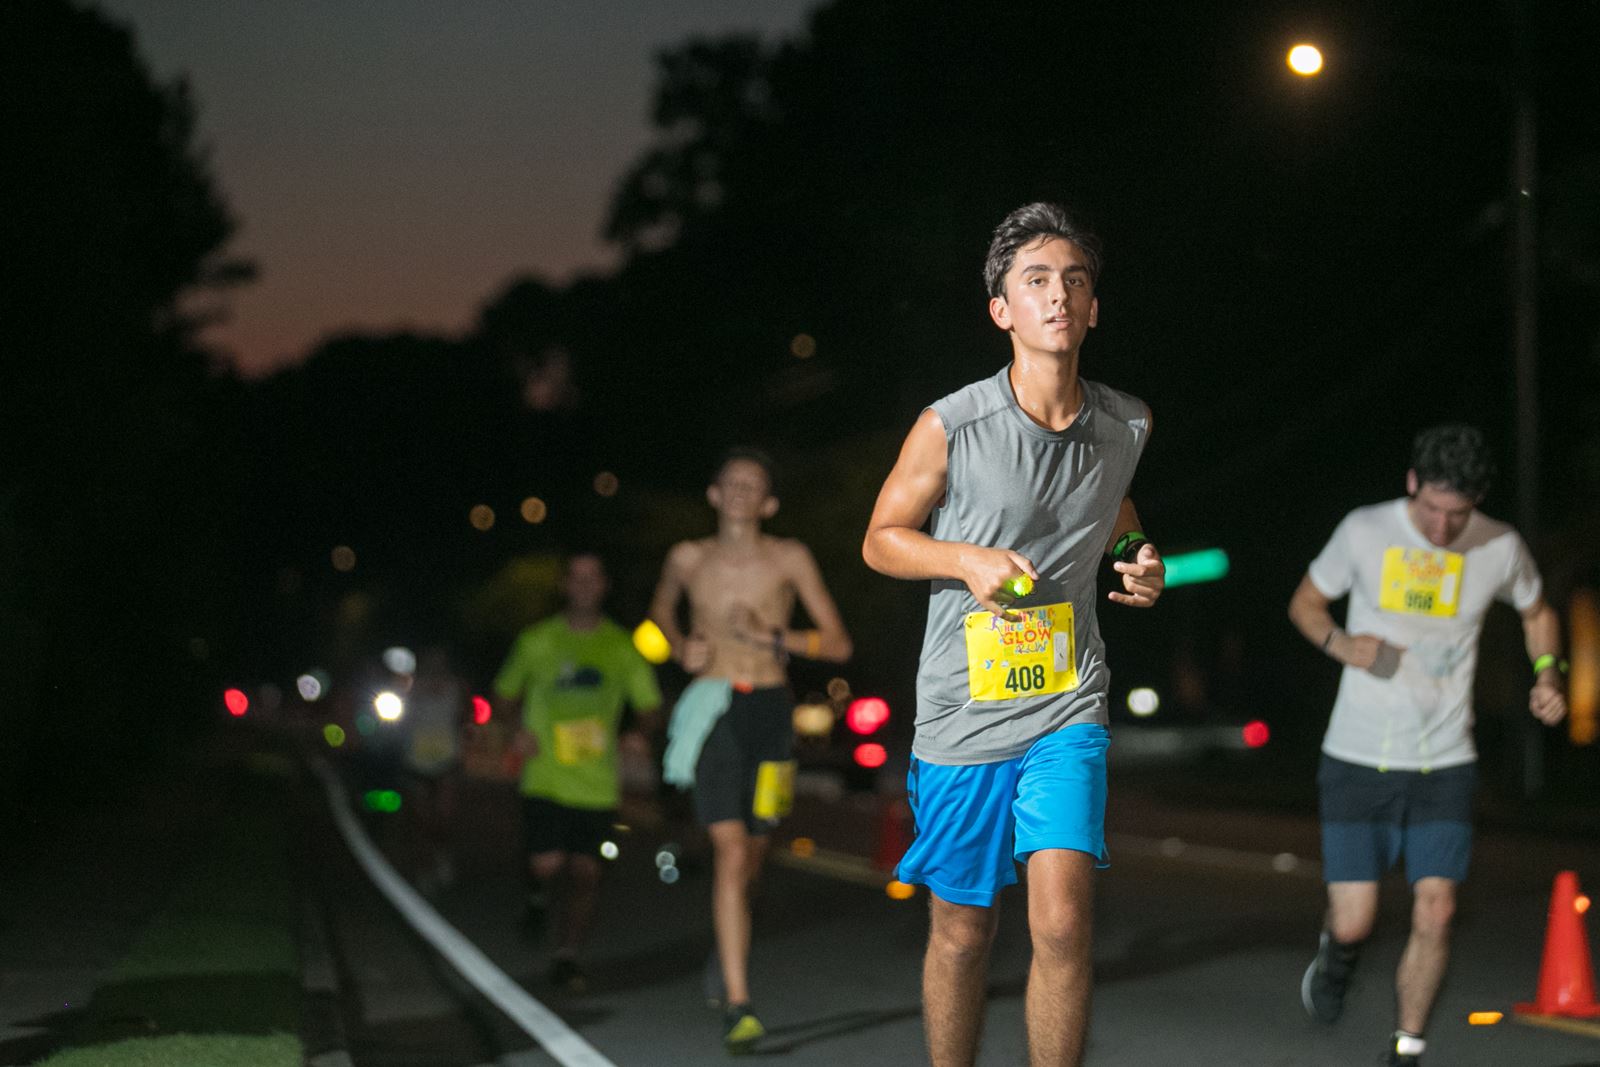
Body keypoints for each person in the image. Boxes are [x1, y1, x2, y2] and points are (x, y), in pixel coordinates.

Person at [862, 202, 1164, 1067]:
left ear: (1094, 306)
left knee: (1064, 922)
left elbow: (1116, 508)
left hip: (1068, 701)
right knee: (963, 933)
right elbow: (880, 539)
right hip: (964, 710)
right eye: (1036, 281)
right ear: (1003, 310)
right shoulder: (953, 424)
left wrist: (1142, 555)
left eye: (1074, 280)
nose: (1058, 296)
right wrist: (963, 559)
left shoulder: (1127, 423)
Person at [1288, 424, 1568, 1067]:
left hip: (1444, 759)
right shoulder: (1364, 530)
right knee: (1356, 919)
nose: (1442, 530)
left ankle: (1407, 1047)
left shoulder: (1498, 545)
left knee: (1437, 910)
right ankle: (1336, 958)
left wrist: (1549, 672)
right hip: (1356, 755)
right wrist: (1341, 644)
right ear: (1412, 484)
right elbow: (1306, 603)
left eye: (1458, 515)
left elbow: (1537, 612)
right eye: (1433, 510)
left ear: (1478, 504)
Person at [649, 446, 853, 1053]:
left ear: (768, 503)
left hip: (770, 713)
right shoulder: (687, 557)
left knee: (755, 857)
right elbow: (659, 612)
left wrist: (773, 635)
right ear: (714, 495)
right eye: (730, 481)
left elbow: (838, 644)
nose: (740, 490)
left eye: (753, 484)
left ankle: (726, 946)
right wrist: (677, 642)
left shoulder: (789, 558)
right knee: (731, 852)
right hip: (713, 709)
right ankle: (740, 1004)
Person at [493, 552, 663, 993]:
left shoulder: (621, 646)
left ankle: (566, 956)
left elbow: (649, 706)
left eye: (594, 577)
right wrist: (516, 730)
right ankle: (534, 896)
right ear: (565, 585)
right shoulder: (537, 640)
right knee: (547, 865)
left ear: (604, 586)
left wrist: (638, 735)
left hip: (597, 784)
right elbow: (505, 694)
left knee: (587, 872)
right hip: (545, 776)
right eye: (577, 577)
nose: (585, 585)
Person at [399, 645, 468, 894]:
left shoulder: (457, 686)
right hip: (416, 762)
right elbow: (399, 716)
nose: (436, 665)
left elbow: (466, 717)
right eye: (431, 660)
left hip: (446, 761)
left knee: (444, 817)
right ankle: (423, 868)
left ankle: (442, 855)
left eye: (441, 660)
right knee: (421, 819)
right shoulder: (411, 686)